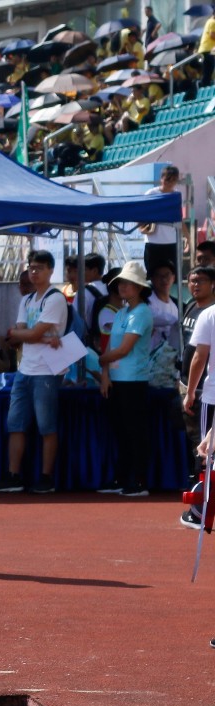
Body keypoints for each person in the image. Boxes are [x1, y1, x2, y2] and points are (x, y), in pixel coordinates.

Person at [0, 250, 67, 493]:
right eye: (32, 268)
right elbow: (15, 335)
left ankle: (46, 477)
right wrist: (40, 337)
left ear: (50, 270)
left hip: (47, 370)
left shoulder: (55, 298)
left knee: (47, 425)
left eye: (40, 268)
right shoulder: (26, 300)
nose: (34, 273)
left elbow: (25, 333)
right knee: (15, 424)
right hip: (26, 369)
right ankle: (14, 474)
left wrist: (28, 335)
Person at [96, 261, 156, 497]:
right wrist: (105, 374)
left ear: (140, 287)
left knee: (134, 432)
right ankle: (122, 478)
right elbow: (112, 346)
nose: (123, 286)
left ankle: (139, 480)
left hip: (134, 380)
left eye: (129, 283)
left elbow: (123, 349)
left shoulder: (142, 312)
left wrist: (102, 361)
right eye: (121, 282)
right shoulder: (121, 312)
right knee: (121, 431)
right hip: (118, 379)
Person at [183, 267, 215, 528]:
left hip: (212, 395)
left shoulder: (209, 314)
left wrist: (191, 391)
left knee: (207, 453)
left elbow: (199, 357)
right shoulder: (202, 312)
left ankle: (200, 510)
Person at [142, 165, 182, 281]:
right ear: (161, 179)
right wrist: (142, 229)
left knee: (173, 277)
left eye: (173, 180)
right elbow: (140, 214)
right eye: (167, 179)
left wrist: (188, 238)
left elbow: (180, 217)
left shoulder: (177, 194)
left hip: (172, 242)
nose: (170, 183)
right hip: (153, 242)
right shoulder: (151, 193)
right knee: (152, 276)